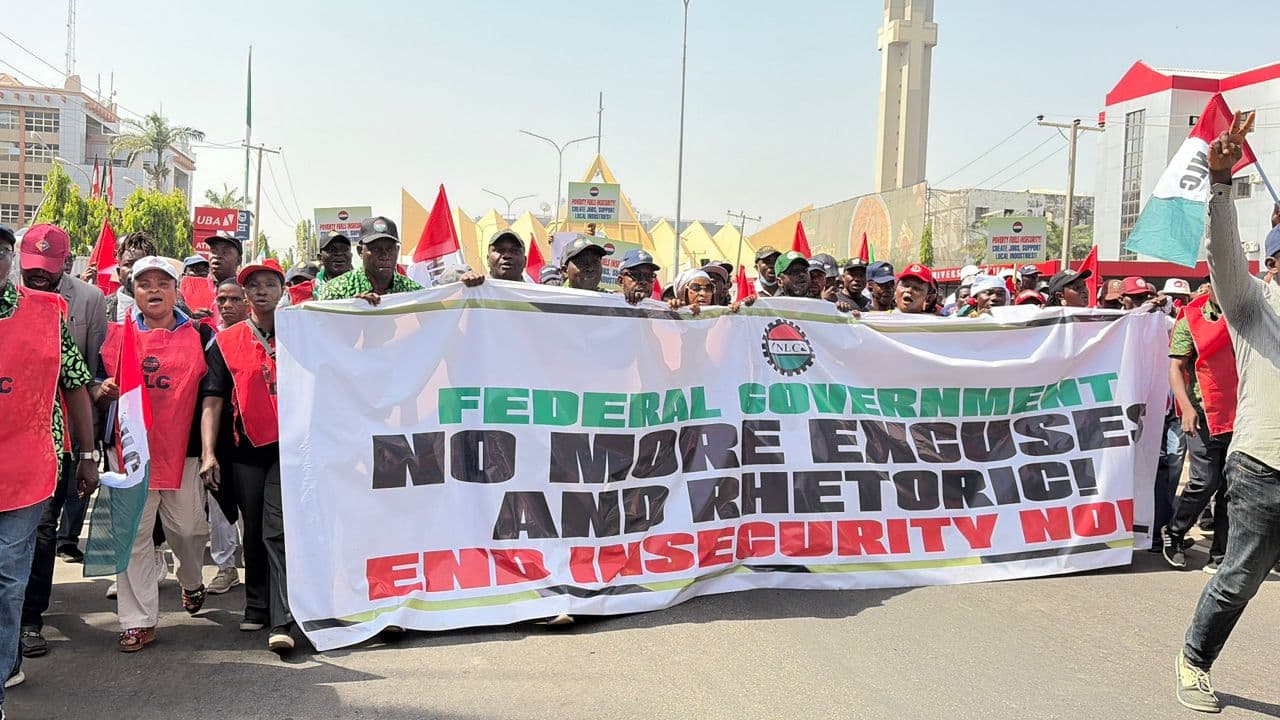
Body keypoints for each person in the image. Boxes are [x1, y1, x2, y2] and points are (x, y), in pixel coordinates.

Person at [1175, 112, 1280, 713]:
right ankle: (1194, 660)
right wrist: (1220, 184)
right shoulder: (1251, 304)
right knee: (1239, 580)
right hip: (1262, 470)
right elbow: (1221, 258)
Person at [0, 225, 97, 709]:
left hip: (32, 463)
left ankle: (12, 651)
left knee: (9, 571)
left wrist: (87, 453)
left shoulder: (51, 315)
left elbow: (78, 381)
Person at [96, 257, 212, 653]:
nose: (154, 290)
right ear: (134, 292)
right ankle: (137, 621)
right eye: (145, 284)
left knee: (189, 529)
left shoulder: (201, 333)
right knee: (133, 537)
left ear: (176, 290)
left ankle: (192, 580)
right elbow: (94, 381)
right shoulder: (116, 335)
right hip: (130, 451)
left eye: (163, 282)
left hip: (184, 451)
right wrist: (102, 388)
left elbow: (214, 392)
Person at [16, 225, 107, 658]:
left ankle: (29, 619)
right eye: (30, 268)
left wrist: (87, 453)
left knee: (42, 528)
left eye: (47, 270)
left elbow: (83, 378)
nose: (38, 277)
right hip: (4, 436)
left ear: (65, 264)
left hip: (52, 439)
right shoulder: (8, 301)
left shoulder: (86, 302)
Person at [199, 259, 294, 652]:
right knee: (254, 528)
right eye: (252, 285)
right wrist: (208, 454)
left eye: (269, 283)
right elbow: (213, 399)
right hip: (247, 451)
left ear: (282, 289)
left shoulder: (304, 332)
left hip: (295, 449)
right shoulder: (227, 341)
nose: (260, 291)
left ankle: (283, 614)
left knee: (278, 528)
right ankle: (256, 605)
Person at [1162, 284, 1234, 575]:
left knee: (1232, 488)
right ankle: (1175, 532)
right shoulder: (1190, 318)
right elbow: (1176, 368)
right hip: (1204, 415)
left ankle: (1220, 555)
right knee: (1205, 482)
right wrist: (1187, 408)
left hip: (1242, 415)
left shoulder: (1247, 315)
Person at [205, 279, 249, 596]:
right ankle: (225, 567)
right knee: (218, 504)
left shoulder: (263, 336)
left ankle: (258, 564)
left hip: (253, 439)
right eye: (222, 299)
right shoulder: (206, 337)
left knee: (255, 510)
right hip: (218, 436)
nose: (227, 305)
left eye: (235, 299)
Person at [317, 217, 423, 304]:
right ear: (360, 251)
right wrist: (351, 308)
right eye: (376, 249)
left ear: (398, 250)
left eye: (390, 249)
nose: (384, 255)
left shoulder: (414, 292)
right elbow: (321, 326)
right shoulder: (335, 291)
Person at [104, 232, 159, 322]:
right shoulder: (100, 308)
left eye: (141, 264)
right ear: (119, 272)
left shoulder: (174, 309)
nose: (135, 270)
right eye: (129, 264)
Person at [314, 231, 353, 295]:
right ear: (320, 257)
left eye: (345, 249)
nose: (339, 253)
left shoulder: (366, 288)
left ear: (351, 255)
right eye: (332, 250)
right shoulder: (308, 290)